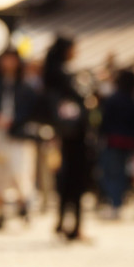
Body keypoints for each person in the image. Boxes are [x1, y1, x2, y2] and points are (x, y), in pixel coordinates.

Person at [0, 48, 39, 230]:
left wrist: (15, 121)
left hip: (17, 135)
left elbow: (32, 111)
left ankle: (24, 205)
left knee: (19, 171)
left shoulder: (26, 86)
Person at [43, 35, 91, 241]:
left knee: (64, 180)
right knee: (75, 180)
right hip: (74, 135)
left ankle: (62, 222)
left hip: (61, 133)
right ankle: (74, 226)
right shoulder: (62, 74)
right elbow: (80, 99)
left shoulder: (51, 73)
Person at [98, 69, 134, 219]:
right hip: (128, 142)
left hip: (114, 141)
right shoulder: (133, 100)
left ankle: (116, 204)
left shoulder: (114, 99)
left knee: (112, 174)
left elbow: (105, 121)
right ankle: (117, 203)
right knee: (121, 174)